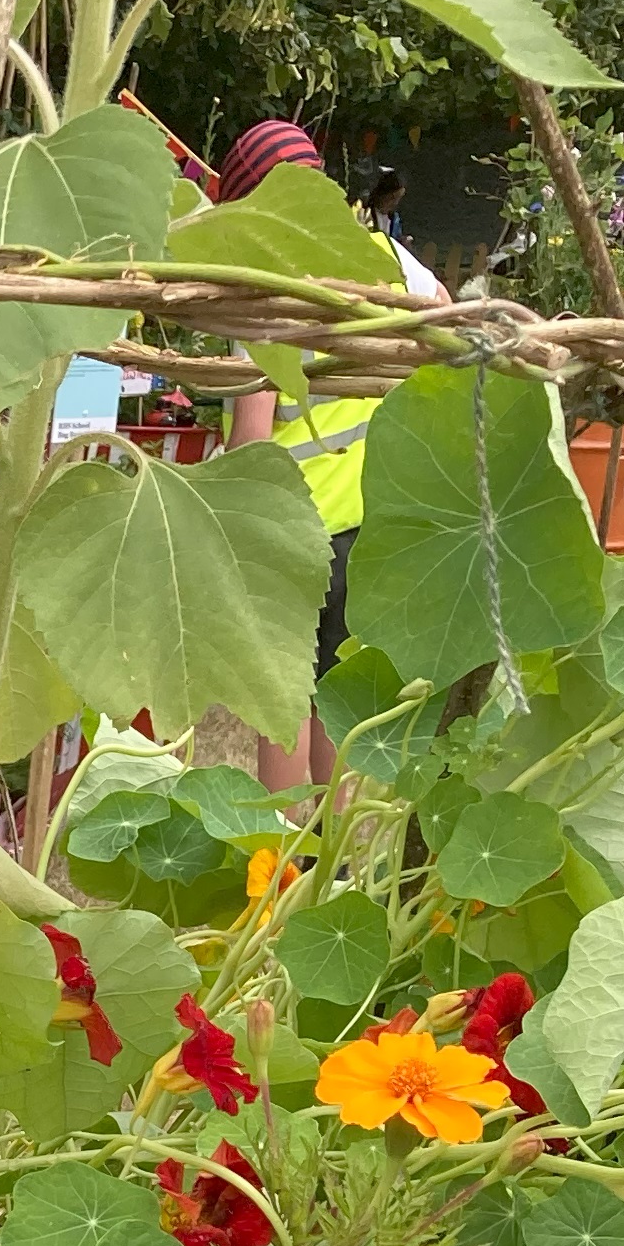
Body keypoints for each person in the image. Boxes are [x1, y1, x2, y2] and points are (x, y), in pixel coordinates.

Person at [216, 118, 444, 786]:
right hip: (368, 521)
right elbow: (448, 316)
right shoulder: (383, 256)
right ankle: (330, 867)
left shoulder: (265, 293)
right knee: (335, 697)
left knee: (281, 703)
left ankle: (283, 859)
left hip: (294, 530)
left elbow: (252, 439)